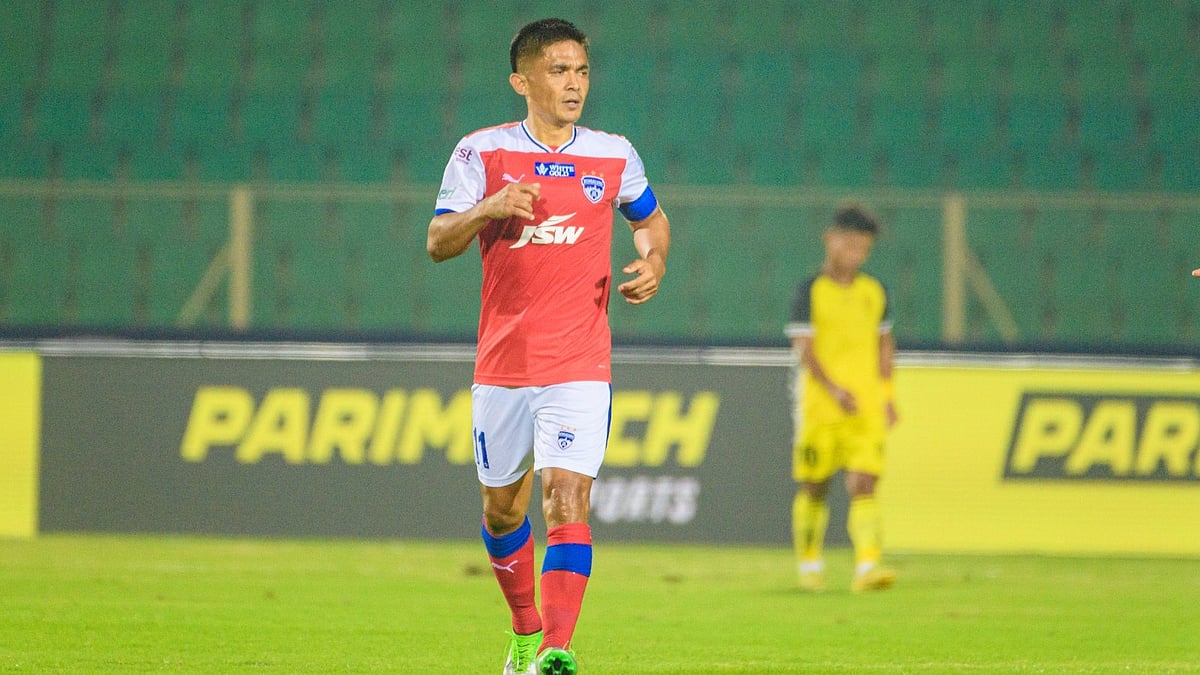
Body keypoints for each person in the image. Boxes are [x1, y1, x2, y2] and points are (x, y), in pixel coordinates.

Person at [427, 17, 670, 675]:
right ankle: (526, 630)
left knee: (567, 495)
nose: (574, 83)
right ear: (522, 80)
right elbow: (438, 240)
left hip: (579, 361)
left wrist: (654, 261)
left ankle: (558, 649)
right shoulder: (482, 154)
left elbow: (649, 218)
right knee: (502, 507)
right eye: (559, 70)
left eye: (582, 71)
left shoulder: (613, 153)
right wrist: (490, 208)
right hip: (503, 363)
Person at [784, 203, 898, 593]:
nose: (856, 253)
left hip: (865, 405)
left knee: (864, 482)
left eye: (863, 247)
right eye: (850, 244)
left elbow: (885, 345)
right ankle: (810, 565)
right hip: (820, 408)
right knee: (815, 486)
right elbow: (804, 347)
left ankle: (868, 566)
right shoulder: (809, 290)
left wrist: (887, 395)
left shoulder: (874, 291)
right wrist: (834, 390)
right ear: (830, 240)